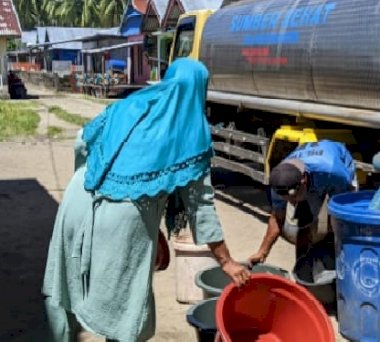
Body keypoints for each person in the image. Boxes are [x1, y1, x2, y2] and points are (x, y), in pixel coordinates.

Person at [42, 59, 250, 342]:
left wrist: (95, 186)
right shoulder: (190, 133)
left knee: (65, 287)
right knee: (127, 309)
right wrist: (226, 262)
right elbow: (201, 207)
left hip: (77, 195)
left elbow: (82, 140)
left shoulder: (132, 103)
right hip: (125, 214)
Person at [249, 140, 356, 263]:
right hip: (309, 176)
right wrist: (262, 252)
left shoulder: (334, 173)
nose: (292, 203)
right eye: (287, 200)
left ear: (303, 180)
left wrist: (337, 224)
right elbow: (277, 219)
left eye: (294, 197)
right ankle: (303, 265)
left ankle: (340, 259)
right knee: (304, 220)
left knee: (340, 219)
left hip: (334, 164)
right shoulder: (279, 184)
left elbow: (343, 210)